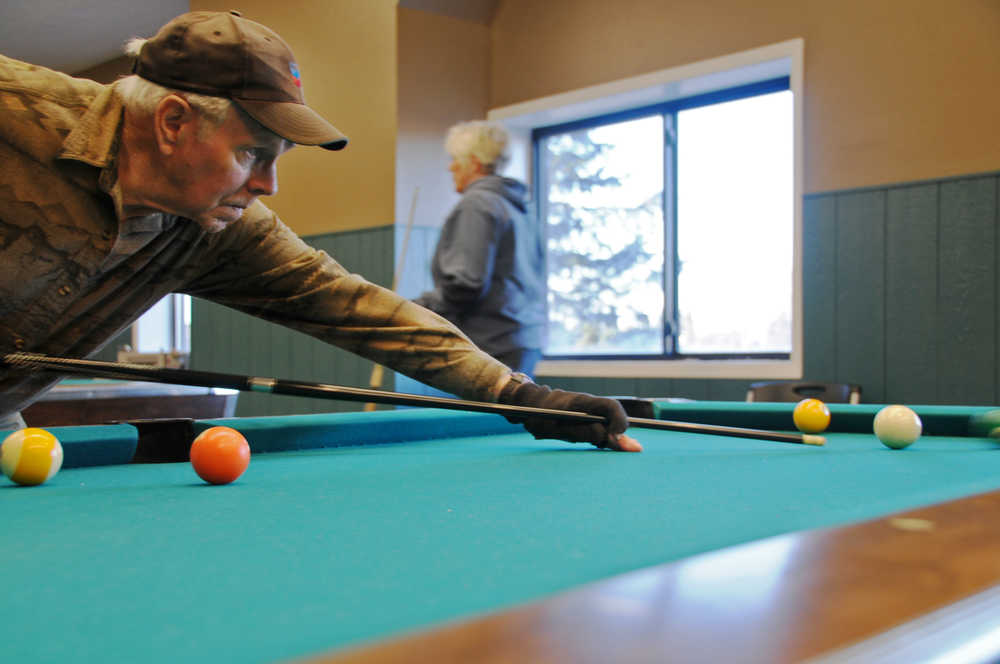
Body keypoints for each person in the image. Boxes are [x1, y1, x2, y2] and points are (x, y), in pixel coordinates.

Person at [0, 10, 641, 452]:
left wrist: (520, 394)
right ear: (172, 124)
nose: (268, 186)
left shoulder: (217, 229)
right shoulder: (15, 114)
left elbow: (362, 309)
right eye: (253, 153)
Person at [413, 121, 545, 377]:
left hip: (489, 344)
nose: (450, 167)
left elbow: (465, 284)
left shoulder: (477, 204)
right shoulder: (521, 208)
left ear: (473, 162)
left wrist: (414, 308)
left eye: (455, 160)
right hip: (522, 341)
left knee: (481, 418)